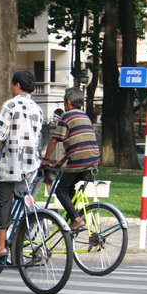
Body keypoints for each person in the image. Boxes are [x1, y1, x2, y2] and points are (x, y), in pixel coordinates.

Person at [0, 70, 44, 263]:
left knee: (2, 203)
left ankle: (0, 246)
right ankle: (22, 237)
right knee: (23, 201)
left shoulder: (10, 105)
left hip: (10, 165)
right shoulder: (37, 109)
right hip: (31, 165)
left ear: (17, 85)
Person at [41, 87, 100, 232]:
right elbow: (77, 143)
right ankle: (74, 214)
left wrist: (46, 159)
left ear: (68, 103)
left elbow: (54, 140)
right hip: (93, 160)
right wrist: (61, 161)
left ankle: (76, 219)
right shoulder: (85, 117)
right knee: (69, 187)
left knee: (60, 189)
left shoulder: (66, 116)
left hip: (79, 161)